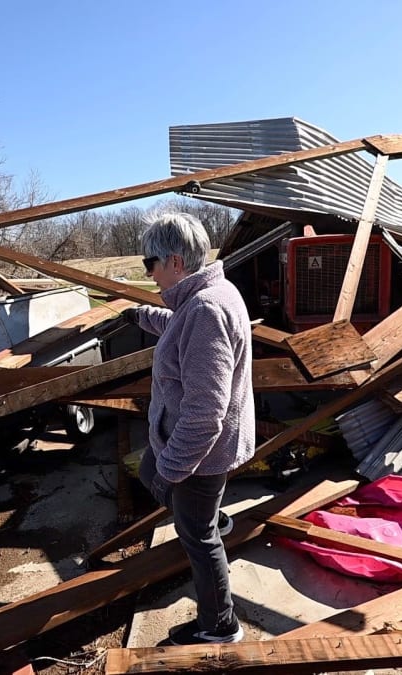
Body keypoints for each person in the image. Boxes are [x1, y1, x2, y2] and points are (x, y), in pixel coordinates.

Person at [121, 211, 255, 645]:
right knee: (148, 472)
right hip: (188, 444)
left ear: (175, 262)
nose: (149, 273)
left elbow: (204, 413)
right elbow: (180, 330)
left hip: (200, 452)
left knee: (196, 536)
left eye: (150, 265)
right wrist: (140, 315)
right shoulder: (208, 294)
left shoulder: (206, 309)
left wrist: (172, 470)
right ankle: (211, 515)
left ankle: (220, 625)